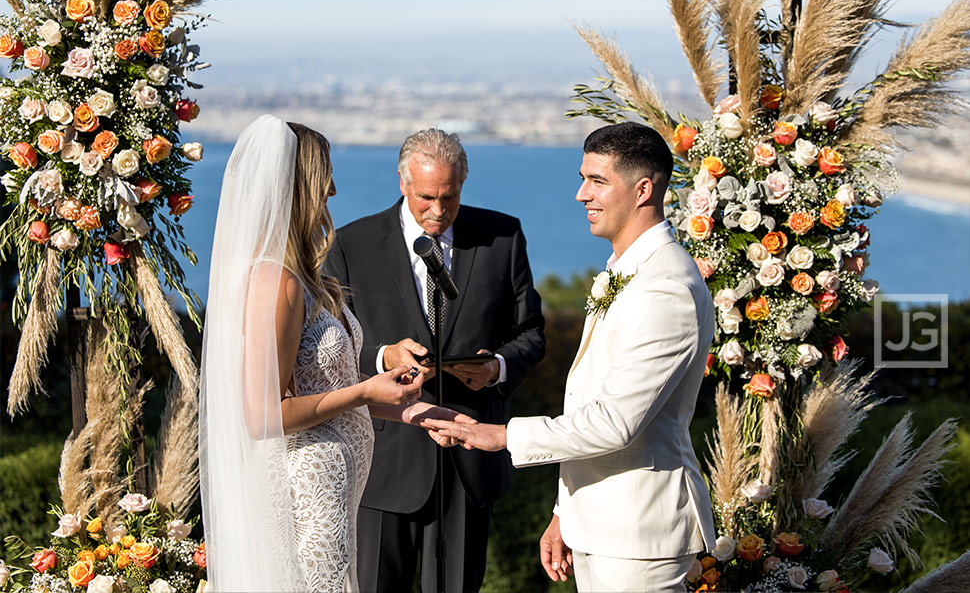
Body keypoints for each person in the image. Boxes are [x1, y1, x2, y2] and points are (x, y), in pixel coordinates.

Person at [424, 122, 717, 593]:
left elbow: (616, 423)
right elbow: (590, 401)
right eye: (583, 178)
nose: (582, 194)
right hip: (603, 525)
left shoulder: (664, 287)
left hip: (639, 536)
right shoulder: (627, 271)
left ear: (643, 190)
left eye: (598, 180)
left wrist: (500, 435)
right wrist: (567, 512)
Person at [198, 115, 470, 593]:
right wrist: (366, 389)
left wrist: (414, 410)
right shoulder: (274, 282)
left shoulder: (306, 278)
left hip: (336, 489)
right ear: (297, 185)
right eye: (325, 176)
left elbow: (326, 388)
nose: (334, 190)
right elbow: (263, 416)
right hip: (306, 490)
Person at [323, 128, 545, 593]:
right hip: (385, 461)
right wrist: (383, 355)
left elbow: (530, 334)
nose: (438, 211)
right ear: (403, 183)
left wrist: (496, 368)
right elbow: (331, 344)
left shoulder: (502, 237)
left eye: (450, 196)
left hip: (470, 459)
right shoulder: (350, 244)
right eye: (427, 197)